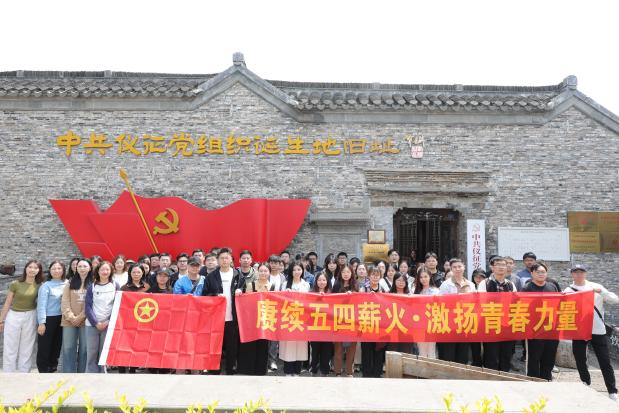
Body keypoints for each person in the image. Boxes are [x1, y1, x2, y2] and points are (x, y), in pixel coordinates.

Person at [564, 264, 618, 401]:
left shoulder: (595, 286)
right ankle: (585, 382)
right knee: (580, 359)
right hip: (579, 330)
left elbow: (615, 300)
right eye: (576, 272)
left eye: (581, 272)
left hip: (597, 330)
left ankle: (612, 391)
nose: (579, 274)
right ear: (572, 274)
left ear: (585, 273)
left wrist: (601, 292)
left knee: (604, 361)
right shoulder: (568, 290)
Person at [202, 248, 245, 375]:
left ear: (231, 259)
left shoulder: (238, 275)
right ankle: (214, 369)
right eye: (221, 258)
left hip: (233, 316)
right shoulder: (211, 276)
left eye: (227, 258)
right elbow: (205, 295)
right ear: (218, 260)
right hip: (216, 317)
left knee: (232, 345)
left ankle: (230, 368)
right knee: (215, 344)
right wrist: (215, 295)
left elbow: (245, 291)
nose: (224, 260)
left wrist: (241, 291)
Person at [0, 260, 44, 372]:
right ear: (26, 268)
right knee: (10, 346)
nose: (32, 270)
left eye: (35, 268)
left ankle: (24, 374)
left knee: (27, 347)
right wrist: (1, 320)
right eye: (30, 267)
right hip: (13, 316)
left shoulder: (40, 285)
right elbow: (7, 303)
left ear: (39, 270)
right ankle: (8, 374)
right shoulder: (15, 283)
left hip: (30, 316)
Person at [478, 256, 515, 372]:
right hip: (490, 323)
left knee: (506, 353)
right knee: (491, 354)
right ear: (492, 267)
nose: (501, 267)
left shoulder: (510, 284)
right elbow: (482, 302)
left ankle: (504, 375)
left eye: (503, 265)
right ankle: (490, 377)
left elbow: (515, 302)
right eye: (498, 265)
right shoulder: (485, 283)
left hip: (507, 324)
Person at [522, 262, 559, 380]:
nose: (541, 274)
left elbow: (559, 303)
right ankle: (533, 381)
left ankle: (546, 378)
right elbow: (521, 307)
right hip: (534, 329)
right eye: (538, 272)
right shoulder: (527, 288)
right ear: (532, 273)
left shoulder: (552, 286)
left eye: (543, 272)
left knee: (549, 356)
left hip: (550, 328)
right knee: (534, 357)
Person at [237, 262, 273, 376]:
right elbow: (246, 302)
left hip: (265, 320)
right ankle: (248, 369)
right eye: (261, 271)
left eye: (265, 271)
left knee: (263, 345)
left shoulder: (272, 286)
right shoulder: (250, 285)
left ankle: (261, 370)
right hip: (252, 319)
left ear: (269, 272)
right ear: (257, 272)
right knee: (250, 344)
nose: (263, 273)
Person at [438, 258, 475, 364]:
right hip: (450, 323)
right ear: (451, 269)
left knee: (463, 352)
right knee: (449, 352)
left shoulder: (470, 284)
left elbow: (475, 302)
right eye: (454, 267)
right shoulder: (446, 284)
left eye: (459, 266)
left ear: (464, 267)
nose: (457, 269)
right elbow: (441, 303)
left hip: (465, 322)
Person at [85, 261, 119, 373]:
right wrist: (96, 323)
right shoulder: (92, 287)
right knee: (92, 351)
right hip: (92, 325)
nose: (105, 272)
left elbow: (117, 305)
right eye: (102, 269)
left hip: (108, 324)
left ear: (111, 271)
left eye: (107, 269)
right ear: (98, 271)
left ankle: (102, 373)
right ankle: (91, 373)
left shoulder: (115, 285)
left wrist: (108, 321)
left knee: (104, 352)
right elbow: (88, 306)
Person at [279, 261, 311, 376]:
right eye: (294, 270)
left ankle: (297, 370)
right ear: (290, 271)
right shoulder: (285, 284)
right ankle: (288, 370)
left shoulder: (306, 285)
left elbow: (309, 301)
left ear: (302, 271)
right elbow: (280, 301)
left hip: (302, 318)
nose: (297, 272)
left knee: (301, 345)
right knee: (289, 344)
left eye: (299, 269)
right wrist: (285, 294)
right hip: (288, 318)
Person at [61, 258, 92, 372]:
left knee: (85, 349)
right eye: (80, 266)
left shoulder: (93, 284)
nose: (82, 268)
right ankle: (68, 373)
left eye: (85, 266)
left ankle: (82, 373)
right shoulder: (70, 283)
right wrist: (71, 317)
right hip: (69, 321)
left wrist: (80, 317)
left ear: (90, 268)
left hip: (86, 321)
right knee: (68, 348)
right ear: (76, 268)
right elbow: (65, 301)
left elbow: (91, 303)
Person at [36, 261, 66, 372]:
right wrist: (41, 323)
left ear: (63, 270)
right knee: (44, 346)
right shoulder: (46, 286)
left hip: (62, 319)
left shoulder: (67, 283)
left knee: (57, 345)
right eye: (54, 268)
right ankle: (43, 370)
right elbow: (41, 305)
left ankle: (53, 367)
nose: (56, 271)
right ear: (50, 271)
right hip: (48, 319)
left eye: (59, 268)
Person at [332, 264, 358, 377]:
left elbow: (361, 301)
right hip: (339, 321)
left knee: (351, 349)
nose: (346, 274)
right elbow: (331, 301)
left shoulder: (356, 285)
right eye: (343, 272)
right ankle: (337, 371)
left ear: (352, 273)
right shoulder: (336, 285)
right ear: (340, 274)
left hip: (353, 321)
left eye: (348, 272)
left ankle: (349, 372)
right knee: (338, 349)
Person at [361, 265, 386, 377]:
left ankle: (377, 373)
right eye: (373, 275)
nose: (375, 277)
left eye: (377, 275)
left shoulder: (383, 290)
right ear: (368, 276)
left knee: (379, 349)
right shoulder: (363, 289)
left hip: (379, 325)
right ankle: (366, 373)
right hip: (366, 324)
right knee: (366, 350)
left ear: (380, 276)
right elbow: (358, 303)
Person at [309, 272, 333, 376]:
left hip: (328, 328)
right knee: (315, 351)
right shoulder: (310, 293)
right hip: (314, 328)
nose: (321, 282)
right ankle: (313, 369)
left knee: (326, 351)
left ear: (327, 281)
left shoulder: (333, 294)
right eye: (319, 280)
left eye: (324, 280)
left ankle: (325, 371)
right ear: (316, 281)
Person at [413, 266, 439, 358]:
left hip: (432, 323)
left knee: (431, 350)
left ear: (430, 277)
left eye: (425, 276)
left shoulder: (436, 291)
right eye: (421, 277)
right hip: (419, 324)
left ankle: (431, 368)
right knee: (421, 351)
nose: (423, 279)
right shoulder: (415, 291)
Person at [387, 272, 414, 354]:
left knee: (406, 350)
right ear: (394, 281)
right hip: (393, 327)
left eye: (403, 281)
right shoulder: (388, 294)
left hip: (407, 328)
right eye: (398, 280)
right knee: (393, 350)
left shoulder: (410, 296)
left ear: (406, 282)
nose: (401, 283)